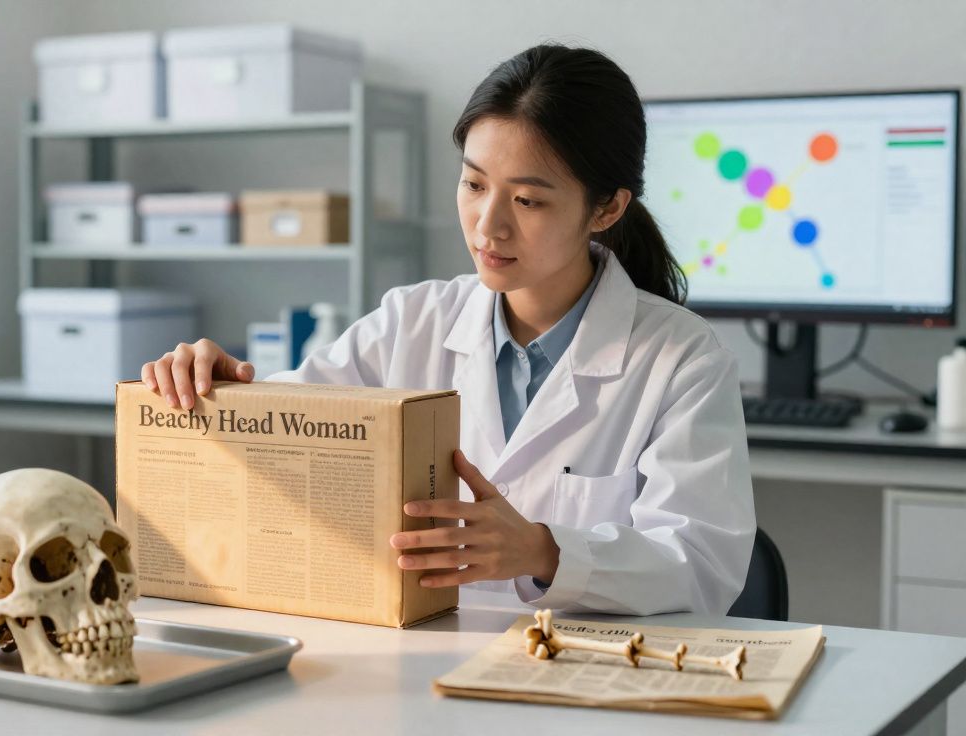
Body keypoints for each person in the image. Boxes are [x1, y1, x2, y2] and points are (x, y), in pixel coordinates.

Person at [140, 44, 755, 615]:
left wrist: (545, 551)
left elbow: (701, 567)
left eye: (528, 200)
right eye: (474, 184)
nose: (488, 226)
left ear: (607, 208)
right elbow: (282, 440)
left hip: (582, 674)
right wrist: (222, 389)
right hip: (418, 663)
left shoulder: (683, 361)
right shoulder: (410, 323)